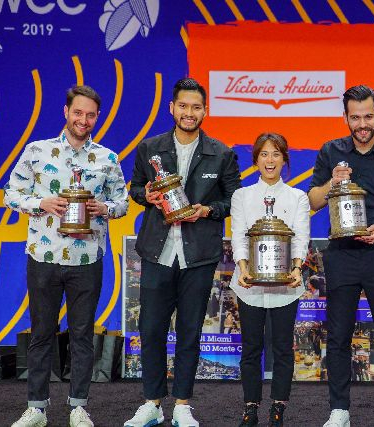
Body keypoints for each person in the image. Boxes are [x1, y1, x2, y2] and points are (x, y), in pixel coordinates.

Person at [5, 85, 129, 427]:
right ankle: (36, 408)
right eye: (78, 113)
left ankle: (78, 407)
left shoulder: (107, 158)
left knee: (82, 335)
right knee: (41, 333)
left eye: (90, 115)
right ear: (65, 112)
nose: (83, 120)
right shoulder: (37, 151)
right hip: (43, 257)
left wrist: (104, 208)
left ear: (97, 117)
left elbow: (123, 202)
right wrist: (40, 203)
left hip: (87, 260)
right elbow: (11, 194)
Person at [124, 77, 241, 427]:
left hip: (198, 255)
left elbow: (233, 200)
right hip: (157, 253)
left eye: (196, 107)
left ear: (205, 111)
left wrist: (207, 210)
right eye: (184, 106)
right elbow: (135, 188)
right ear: (172, 108)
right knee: (151, 329)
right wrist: (147, 195)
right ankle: (151, 403)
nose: (189, 113)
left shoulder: (222, 153)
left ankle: (182, 405)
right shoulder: (149, 148)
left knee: (190, 331)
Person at [308, 85, 374, 427]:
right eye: (355, 117)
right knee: (338, 336)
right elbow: (313, 201)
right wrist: (332, 183)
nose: (362, 124)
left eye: (368, 116)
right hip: (342, 255)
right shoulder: (330, 151)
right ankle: (339, 410)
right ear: (346, 117)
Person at [229, 132, 310, 427]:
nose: (270, 160)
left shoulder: (298, 197)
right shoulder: (241, 196)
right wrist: (242, 267)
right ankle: (250, 408)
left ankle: (278, 408)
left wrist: (297, 268)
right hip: (249, 285)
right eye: (264, 154)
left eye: (276, 154)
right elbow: (238, 235)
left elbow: (300, 237)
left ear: (284, 159)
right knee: (251, 348)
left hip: (286, 286)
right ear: (256, 160)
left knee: (282, 348)